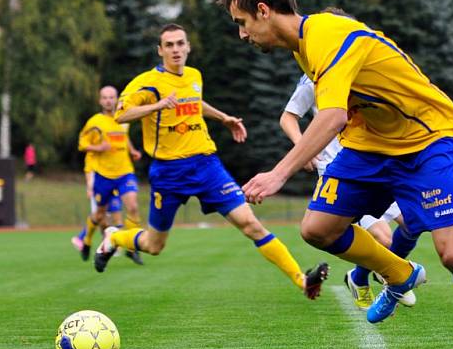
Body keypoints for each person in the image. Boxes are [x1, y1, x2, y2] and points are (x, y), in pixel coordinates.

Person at [219, 0, 453, 349]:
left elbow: (332, 115)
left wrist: (279, 173)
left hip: (427, 139)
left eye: (242, 22)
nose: (242, 34)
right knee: (317, 228)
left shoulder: (327, 36)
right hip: (371, 144)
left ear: (264, 10)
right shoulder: (303, 47)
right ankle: (400, 274)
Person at [94, 23, 329, 301]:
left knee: (251, 224)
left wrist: (224, 118)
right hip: (169, 172)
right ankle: (113, 238)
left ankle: (302, 280)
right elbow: (121, 115)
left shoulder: (194, 75)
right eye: (169, 45)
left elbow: (195, 102)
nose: (176, 49)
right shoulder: (148, 83)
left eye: (180, 43)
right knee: (154, 245)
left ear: (188, 47)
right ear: (160, 50)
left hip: (206, 166)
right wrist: (157, 106)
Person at [280, 72, 419, 310]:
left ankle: (364, 276)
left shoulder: (367, 68)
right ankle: (384, 277)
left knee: (414, 223)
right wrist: (304, 148)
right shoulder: (315, 76)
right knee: (384, 238)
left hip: (375, 163)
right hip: (340, 171)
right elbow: (288, 117)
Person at [74, 86, 144, 265]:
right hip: (103, 175)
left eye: (111, 97)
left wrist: (132, 150)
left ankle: (131, 248)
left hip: (124, 172)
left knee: (133, 207)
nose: (108, 101)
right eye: (104, 98)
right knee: (99, 216)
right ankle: (87, 241)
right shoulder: (95, 122)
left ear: (117, 99)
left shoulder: (123, 118)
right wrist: (99, 148)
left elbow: (123, 136)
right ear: (100, 101)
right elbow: (82, 144)